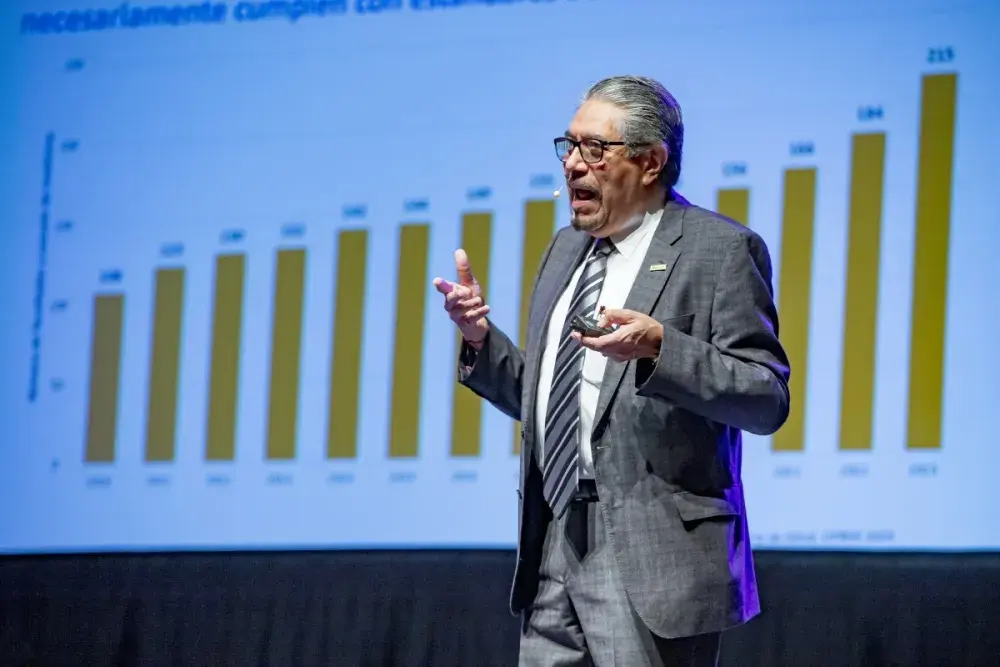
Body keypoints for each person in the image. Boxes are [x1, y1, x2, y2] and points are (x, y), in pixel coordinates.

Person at [432, 75, 791, 667]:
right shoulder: (564, 251)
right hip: (552, 540)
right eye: (569, 146)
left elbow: (765, 397)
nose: (573, 163)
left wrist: (661, 349)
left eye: (594, 148)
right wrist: (478, 339)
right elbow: (550, 399)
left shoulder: (720, 251)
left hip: (653, 555)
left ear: (650, 162)